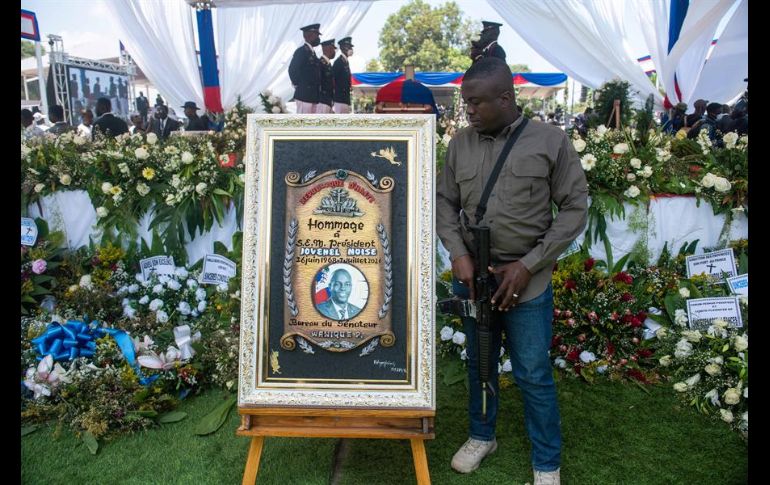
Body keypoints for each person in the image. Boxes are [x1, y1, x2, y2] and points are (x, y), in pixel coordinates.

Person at [436, 57, 587, 485]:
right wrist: (457, 253)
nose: (469, 111)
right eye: (467, 103)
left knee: (533, 373)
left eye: (477, 103)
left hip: (527, 278)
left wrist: (530, 264)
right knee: (479, 363)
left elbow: (575, 207)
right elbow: (445, 202)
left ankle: (546, 462)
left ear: (506, 98)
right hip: (473, 275)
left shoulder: (549, 140)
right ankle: (482, 436)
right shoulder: (460, 143)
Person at [288, 23, 322, 114]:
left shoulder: (312, 53)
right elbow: (292, 70)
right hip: (304, 95)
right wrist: (300, 85)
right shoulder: (301, 51)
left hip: (313, 96)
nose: (318, 38)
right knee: (303, 125)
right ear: (308, 35)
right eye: (316, 34)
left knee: (311, 126)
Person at [333, 37, 354, 114]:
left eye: (351, 47)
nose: (351, 49)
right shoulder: (338, 62)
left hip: (345, 99)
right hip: (339, 100)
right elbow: (333, 80)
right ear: (342, 48)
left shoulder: (346, 62)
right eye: (349, 46)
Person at [317, 39, 336, 114]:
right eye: (332, 48)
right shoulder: (320, 63)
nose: (334, 51)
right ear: (326, 49)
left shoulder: (328, 64)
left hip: (328, 100)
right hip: (322, 101)